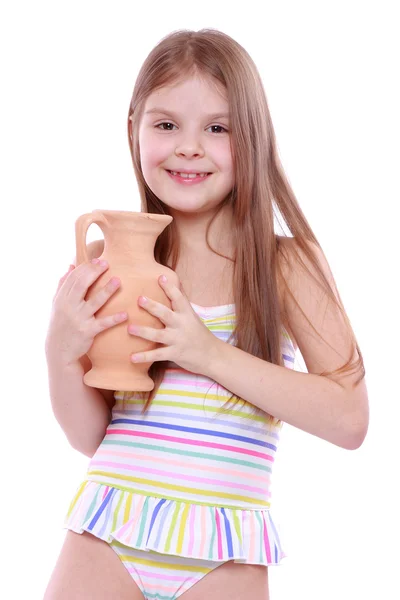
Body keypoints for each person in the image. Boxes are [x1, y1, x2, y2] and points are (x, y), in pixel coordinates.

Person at [43, 28, 369, 600]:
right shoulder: (104, 262)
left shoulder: (285, 265)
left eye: (217, 128)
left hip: (225, 554)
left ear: (255, 139)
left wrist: (207, 352)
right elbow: (92, 436)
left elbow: (348, 421)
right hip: (105, 535)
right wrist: (59, 354)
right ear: (133, 130)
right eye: (166, 124)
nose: (189, 146)